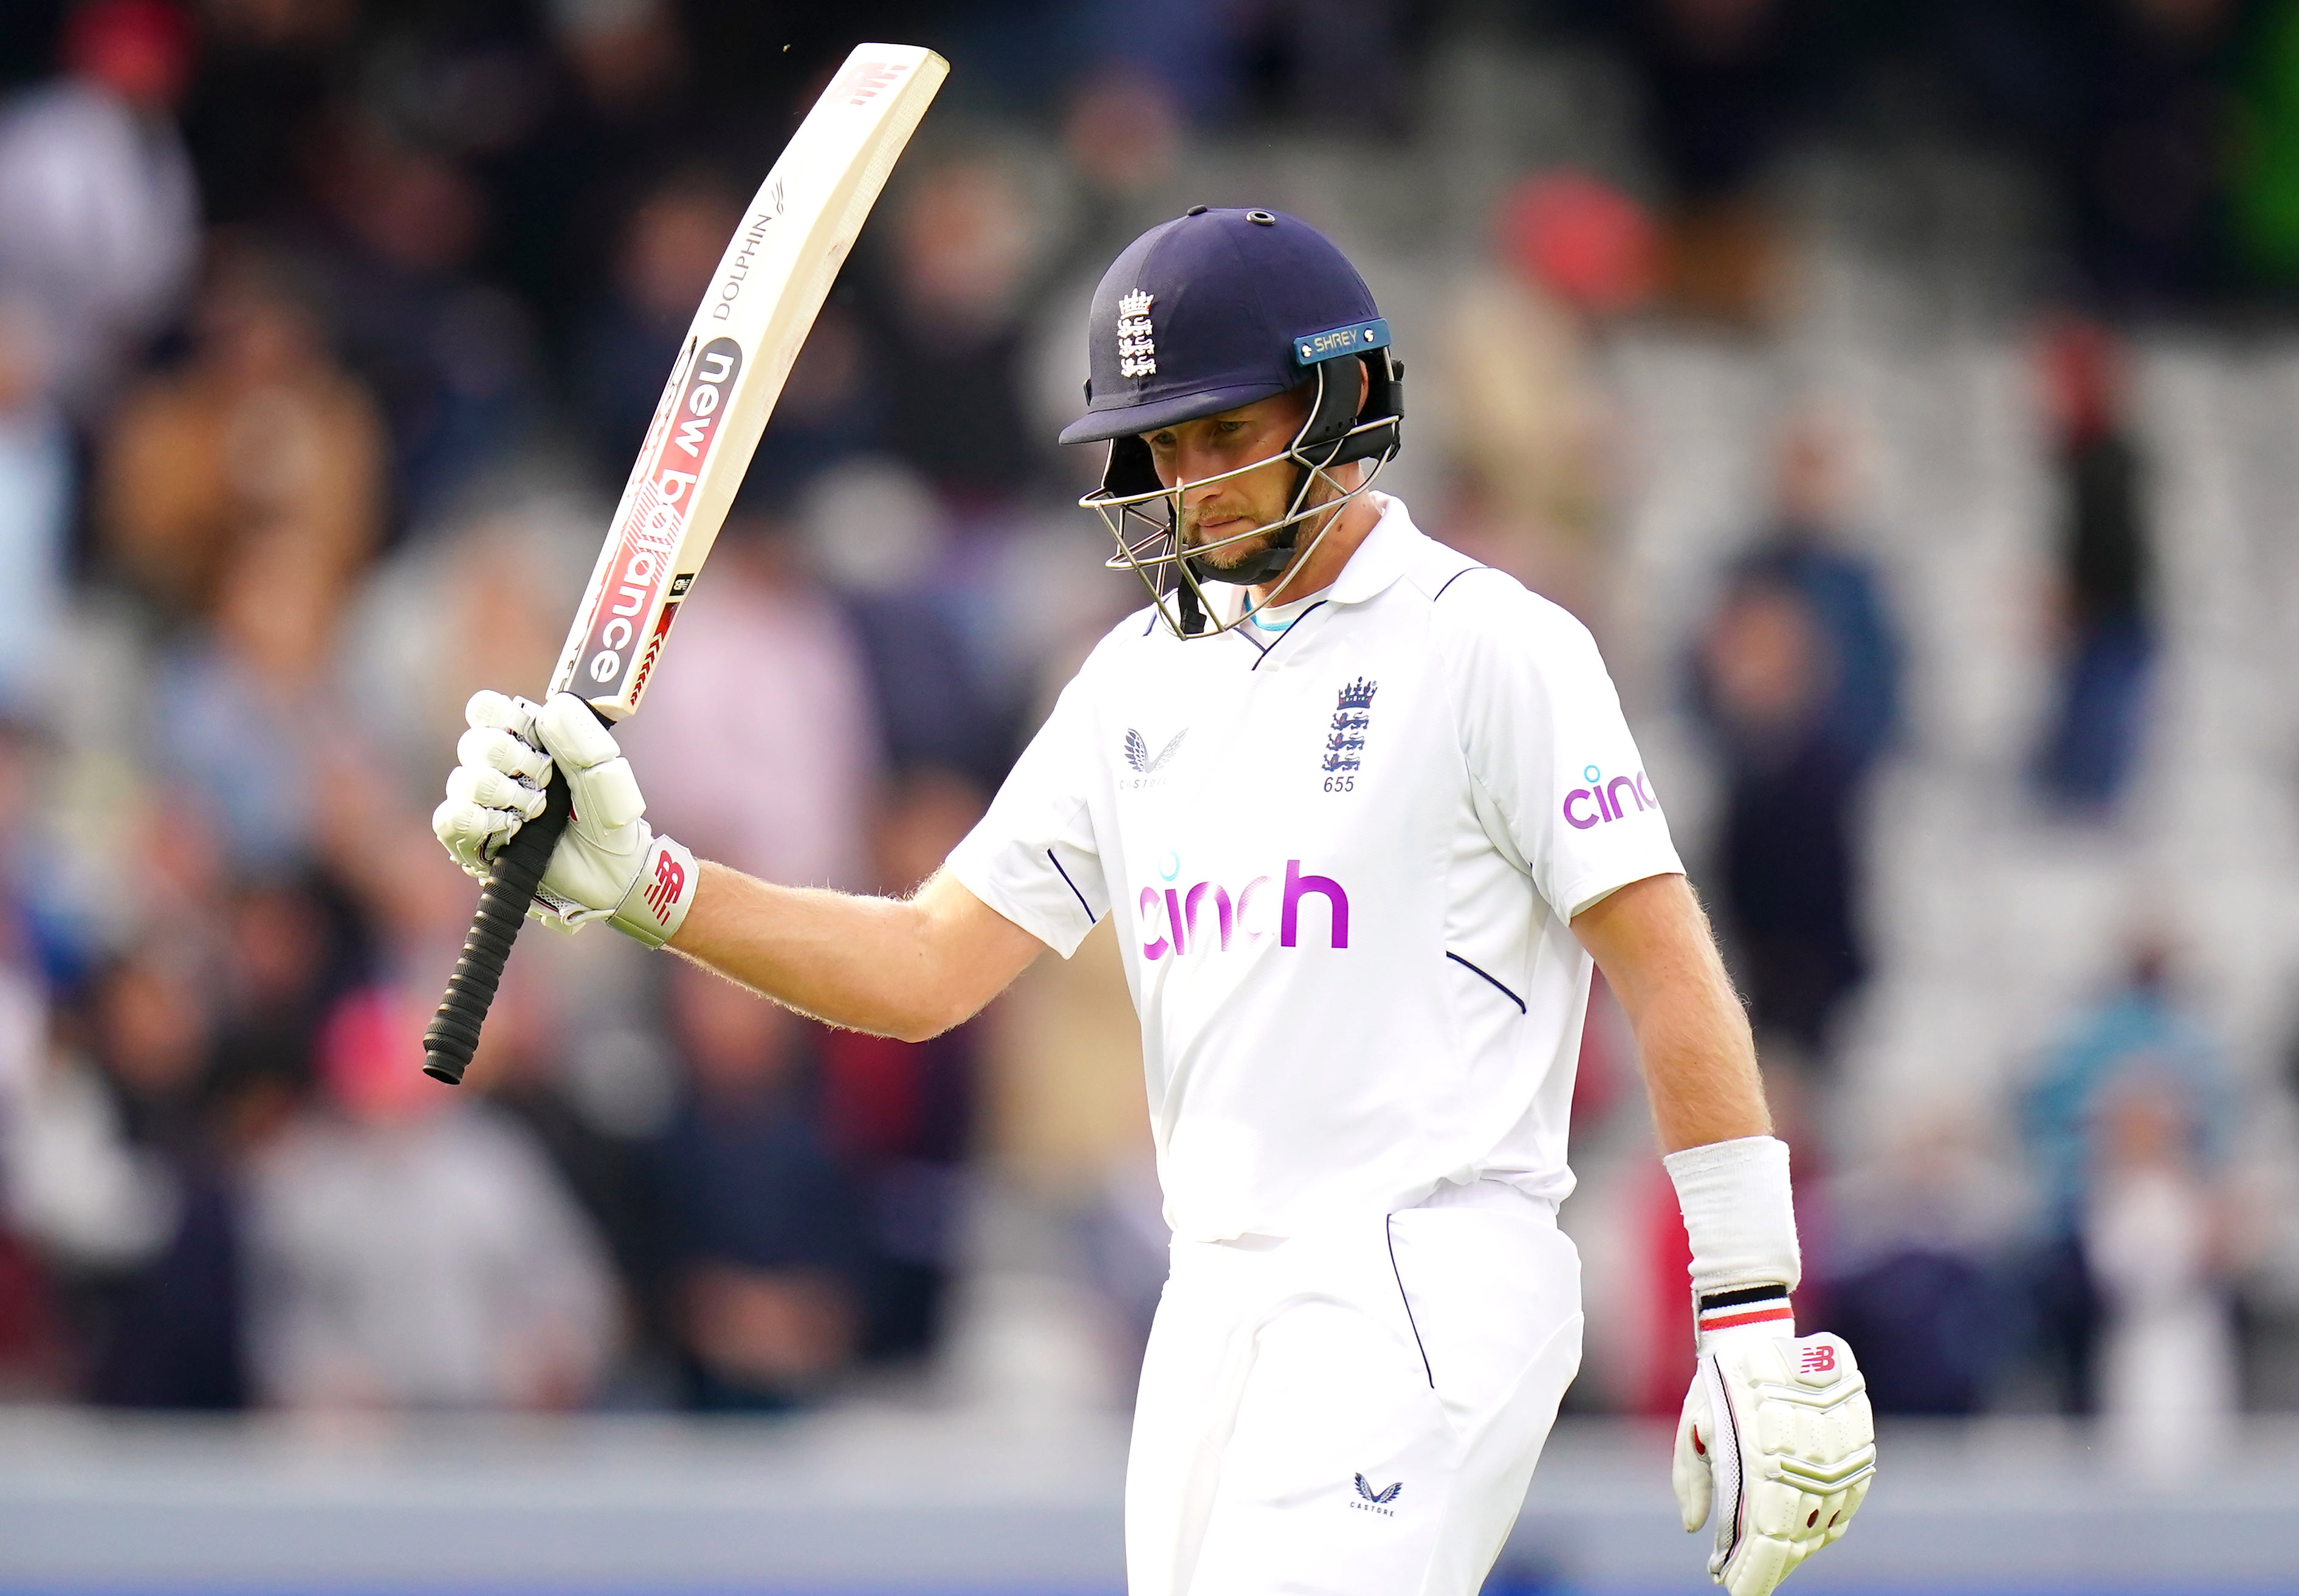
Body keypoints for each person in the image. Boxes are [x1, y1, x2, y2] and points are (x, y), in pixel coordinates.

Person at [433, 208, 1874, 1596]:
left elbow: (1663, 953)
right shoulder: (1134, 677)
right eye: (1165, 446)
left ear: (1347, 397)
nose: (1194, 483)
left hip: (1418, 1274)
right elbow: (928, 962)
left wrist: (1745, 1311)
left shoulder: (1489, 644)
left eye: (1229, 433)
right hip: (1211, 1294)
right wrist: (647, 885)